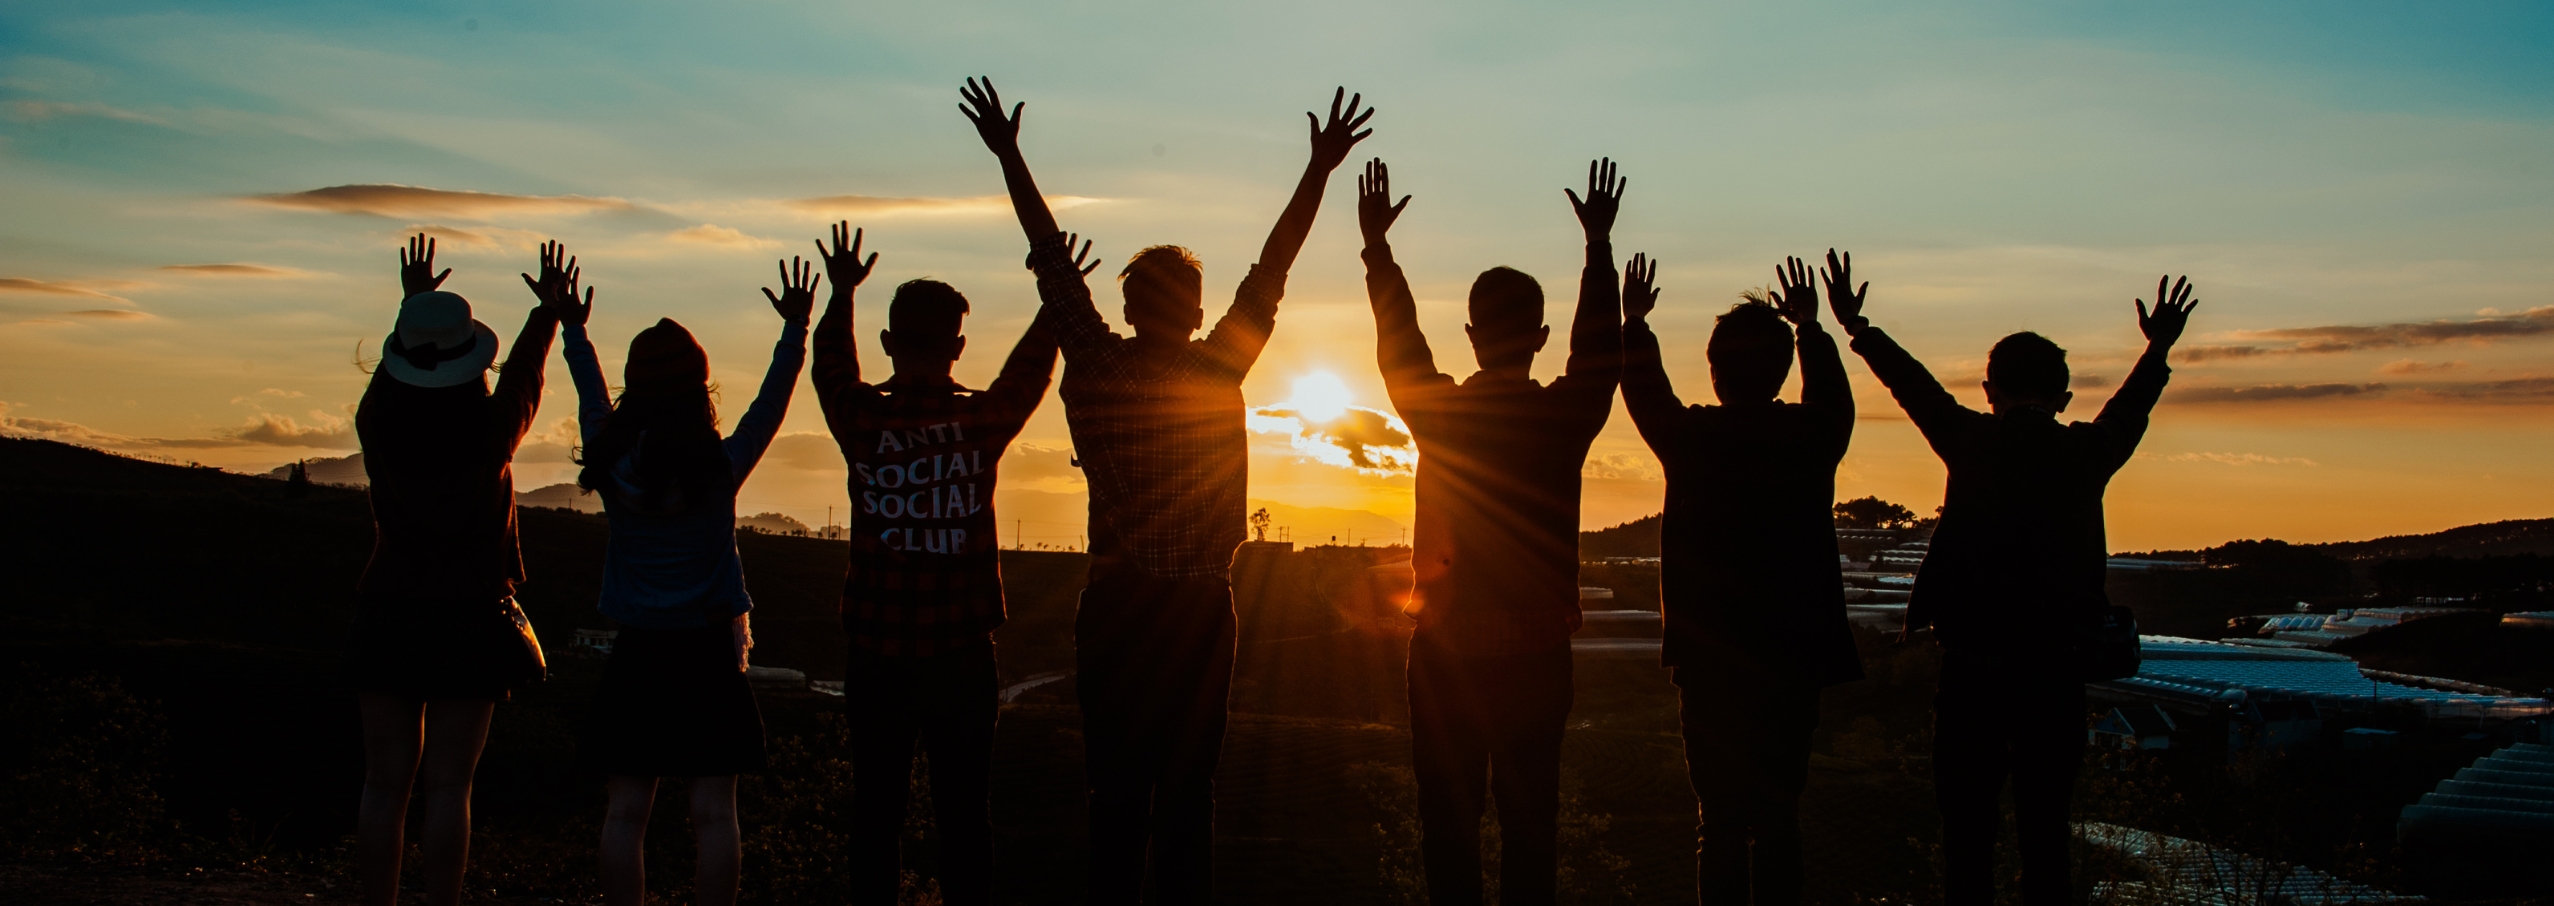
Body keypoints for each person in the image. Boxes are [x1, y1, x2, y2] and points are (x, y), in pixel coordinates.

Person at [960, 76, 1373, 902]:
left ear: (1127, 303)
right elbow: (1274, 267)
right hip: (1194, 610)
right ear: (1193, 309)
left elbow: (1050, 260)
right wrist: (1319, 169)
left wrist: (1010, 155)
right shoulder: (1218, 365)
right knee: (1189, 799)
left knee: (1114, 797)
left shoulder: (1099, 364)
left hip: (1114, 609)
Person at [1831, 260, 2198, 906]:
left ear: (1989, 390)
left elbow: (1912, 386)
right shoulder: (2087, 452)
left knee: (1966, 836)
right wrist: (2158, 348)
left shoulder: (1971, 440)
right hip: (2056, 673)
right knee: (2046, 835)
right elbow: (2131, 406)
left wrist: (1859, 327)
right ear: (2062, 398)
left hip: (1971, 670)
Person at [1355, 156, 1625, 906]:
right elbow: (1601, 357)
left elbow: (1398, 342)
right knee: (1531, 823)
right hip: (1537, 656)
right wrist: (1597, 248)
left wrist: (1379, 251)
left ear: (1471, 335)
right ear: (1540, 336)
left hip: (1443, 653)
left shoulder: (1439, 415)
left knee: (1448, 825)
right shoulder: (1563, 418)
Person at [806, 221, 1059, 906]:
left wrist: (840, 292)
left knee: (875, 815)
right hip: (961, 657)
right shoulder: (981, 423)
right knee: (965, 820)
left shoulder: (862, 419)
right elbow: (1028, 373)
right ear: (957, 347)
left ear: (889, 343)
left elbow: (828, 362)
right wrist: (1054, 296)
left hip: (876, 654)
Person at [563, 255, 817, 906]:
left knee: (625, 813)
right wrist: (796, 328)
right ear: (699, 391)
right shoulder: (720, 467)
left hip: (638, 650)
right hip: (708, 651)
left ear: (634, 390)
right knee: (713, 813)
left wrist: (573, 328)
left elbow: (591, 395)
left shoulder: (610, 460)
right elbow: (770, 405)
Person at [1619, 254, 1863, 905]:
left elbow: (1644, 391)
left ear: (1715, 370)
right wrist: (1812, 326)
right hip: (1792, 661)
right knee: (1778, 819)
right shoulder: (1812, 435)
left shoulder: (1691, 437)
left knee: (1720, 824)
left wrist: (1635, 322)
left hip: (1711, 663)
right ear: (1783, 369)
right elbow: (1835, 399)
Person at [347, 234, 572, 906]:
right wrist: (547, 313)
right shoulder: (489, 429)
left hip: (388, 607)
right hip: (471, 614)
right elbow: (525, 379)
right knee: (450, 786)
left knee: (383, 784)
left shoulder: (376, 418)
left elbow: (404, 377)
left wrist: (416, 306)